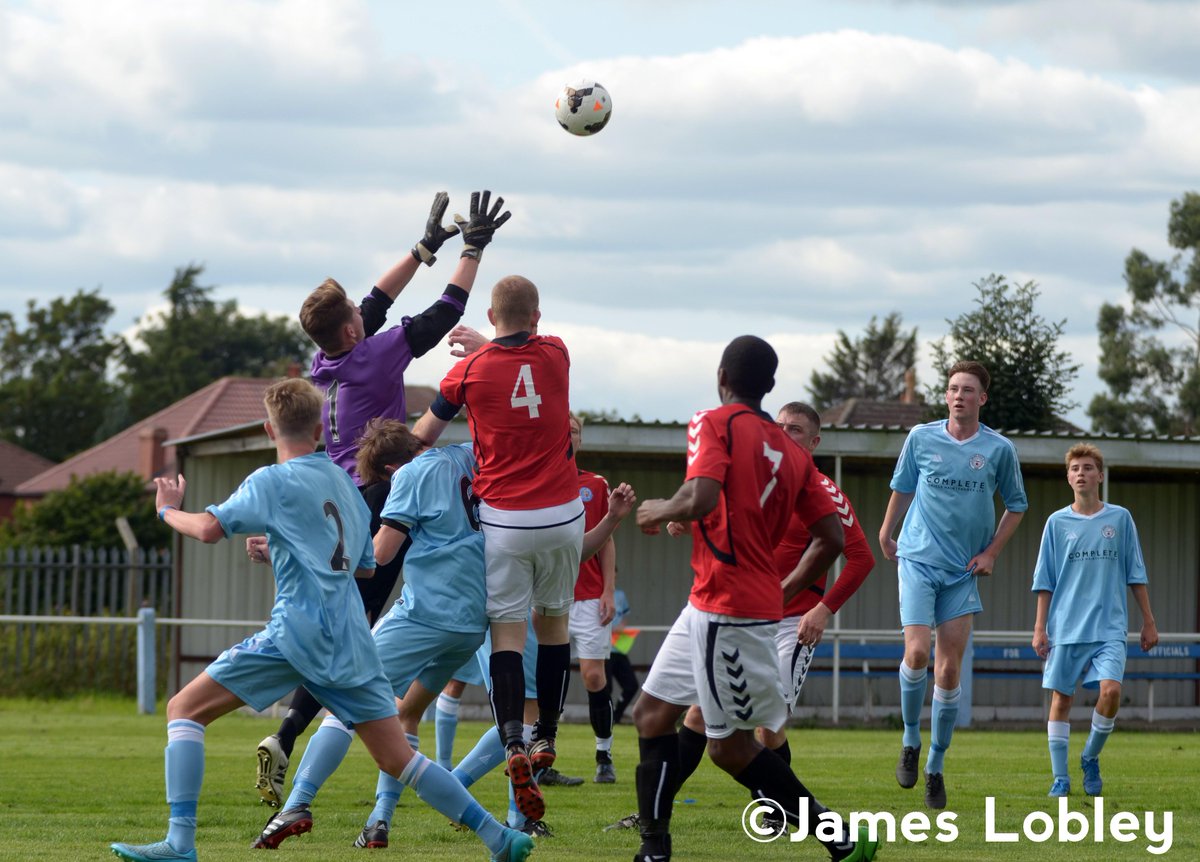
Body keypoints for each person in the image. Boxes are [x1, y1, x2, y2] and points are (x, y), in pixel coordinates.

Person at [110, 379, 534, 862]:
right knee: (399, 758)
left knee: (183, 710)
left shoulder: (272, 480)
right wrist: (287, 548)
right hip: (351, 636)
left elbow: (209, 528)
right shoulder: (342, 483)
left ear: (270, 427)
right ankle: (500, 838)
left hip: (298, 629)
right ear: (319, 428)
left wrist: (167, 510)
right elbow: (365, 567)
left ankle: (180, 843)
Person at [255, 190, 512, 806]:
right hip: (376, 492)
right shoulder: (374, 355)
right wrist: (471, 250)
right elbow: (445, 310)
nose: (367, 313)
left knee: (346, 619)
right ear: (352, 330)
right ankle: (305, 732)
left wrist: (424, 246)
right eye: (357, 315)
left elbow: (371, 301)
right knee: (359, 629)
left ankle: (295, 732)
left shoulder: (325, 361)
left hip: (335, 494)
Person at [631, 335, 877, 862]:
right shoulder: (793, 454)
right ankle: (654, 847)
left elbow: (702, 495)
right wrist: (780, 587)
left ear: (722, 375)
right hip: (709, 603)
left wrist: (659, 509)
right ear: (769, 388)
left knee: (731, 748)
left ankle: (841, 838)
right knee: (651, 713)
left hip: (730, 610)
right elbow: (830, 539)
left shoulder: (712, 422)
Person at [412, 275, 581, 824]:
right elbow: (521, 354)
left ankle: (511, 741)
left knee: (507, 635)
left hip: (505, 520)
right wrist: (494, 345)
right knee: (553, 626)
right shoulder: (557, 353)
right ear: (537, 315)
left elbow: (425, 434)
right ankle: (546, 736)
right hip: (562, 515)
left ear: (489, 314)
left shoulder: (466, 372)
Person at [878, 360, 1027, 809]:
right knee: (918, 653)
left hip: (963, 571)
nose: (958, 395)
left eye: (968, 390)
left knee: (947, 671)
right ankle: (909, 739)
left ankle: (936, 766)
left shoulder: (998, 449)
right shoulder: (921, 438)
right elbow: (903, 487)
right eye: (952, 388)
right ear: (946, 396)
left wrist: (991, 553)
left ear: (982, 398)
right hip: (918, 559)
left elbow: (1017, 505)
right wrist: (887, 531)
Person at [1031, 443, 1157, 797]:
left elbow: (1136, 572)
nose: (1081, 473)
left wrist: (1148, 621)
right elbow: (1045, 580)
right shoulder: (1056, 523)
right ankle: (1061, 778)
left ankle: (1090, 756)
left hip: (1110, 628)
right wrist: (1040, 628)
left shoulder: (1120, 518)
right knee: (1062, 701)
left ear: (1100, 475)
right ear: (1068, 477)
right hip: (1066, 628)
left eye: (1088, 468)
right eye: (1075, 469)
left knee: (1112, 691)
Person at [567, 411, 621, 782]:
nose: (569, 437)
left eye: (574, 432)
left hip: (588, 597)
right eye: (563, 431)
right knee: (542, 680)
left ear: (581, 440)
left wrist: (607, 590)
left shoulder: (595, 485)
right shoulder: (534, 481)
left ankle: (604, 753)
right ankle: (542, 756)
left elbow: (606, 539)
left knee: (593, 676)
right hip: (544, 595)